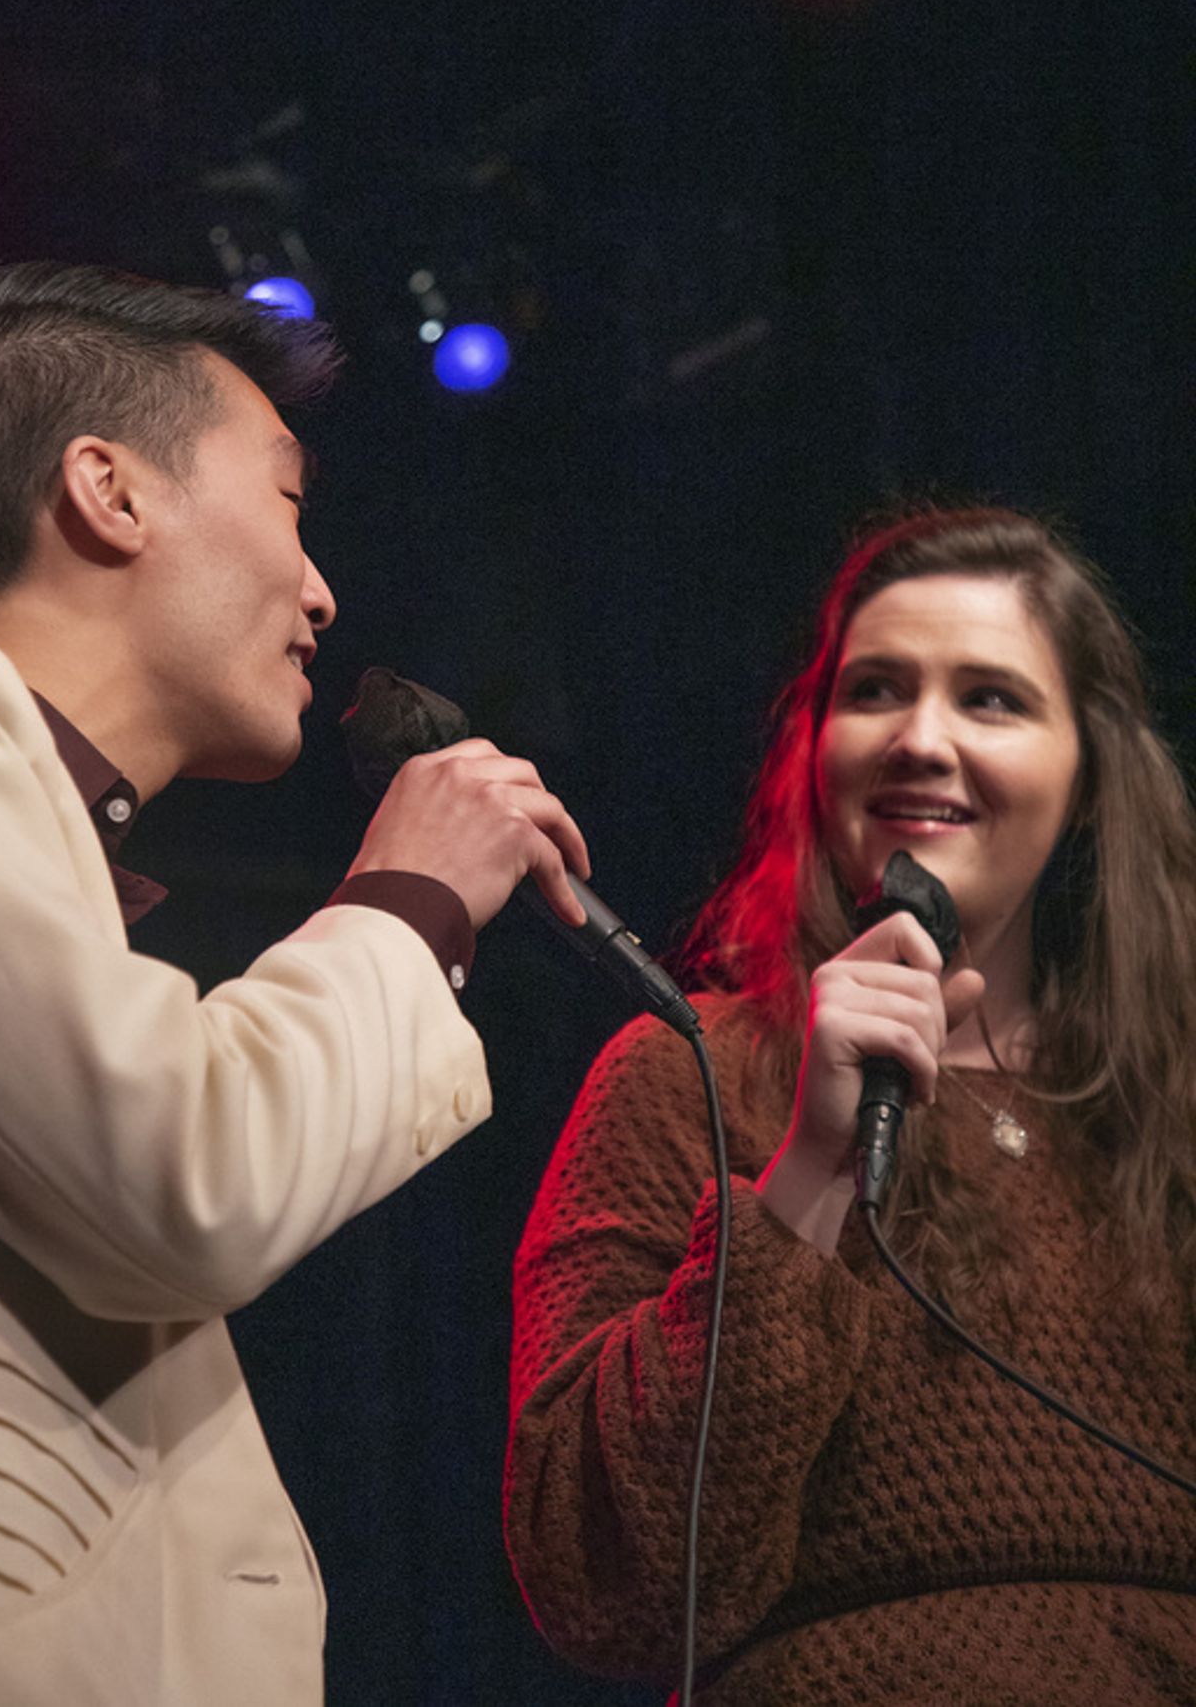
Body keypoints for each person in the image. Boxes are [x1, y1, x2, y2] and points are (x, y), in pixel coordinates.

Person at [0, 261, 591, 1707]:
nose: (321, 587)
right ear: (111, 491)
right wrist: (405, 907)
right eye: (288, 503)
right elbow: (183, 1175)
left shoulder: (10, 844)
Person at [504, 505, 1196, 1706]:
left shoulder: (1168, 1106)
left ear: (1087, 778)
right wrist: (809, 1174)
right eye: (874, 690)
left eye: (989, 699)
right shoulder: (686, 1074)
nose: (919, 739)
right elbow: (595, 1576)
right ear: (810, 749)